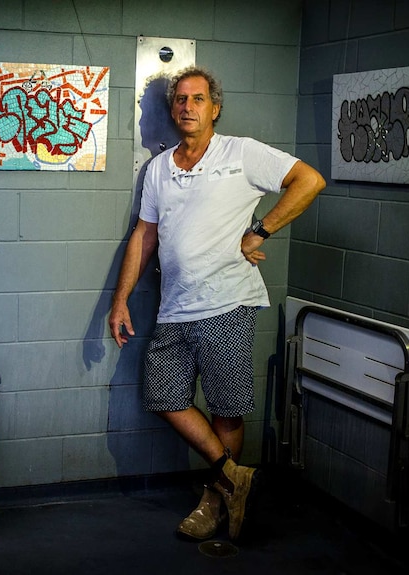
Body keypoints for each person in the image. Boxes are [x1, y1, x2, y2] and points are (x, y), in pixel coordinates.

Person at [109, 66, 325, 542]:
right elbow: (144, 235)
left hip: (228, 302)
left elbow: (309, 181)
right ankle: (235, 475)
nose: (187, 107)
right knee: (163, 396)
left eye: (198, 99)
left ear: (215, 107)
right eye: (180, 100)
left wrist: (261, 230)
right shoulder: (160, 168)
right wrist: (120, 299)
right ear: (172, 109)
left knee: (227, 408)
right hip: (174, 307)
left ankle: (215, 503)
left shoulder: (241, 153)